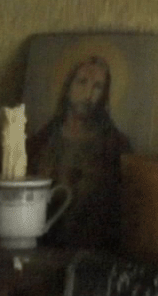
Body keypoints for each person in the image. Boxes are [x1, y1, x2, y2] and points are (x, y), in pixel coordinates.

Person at [28, 56, 133, 248]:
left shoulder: (116, 145)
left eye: (97, 87)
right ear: (68, 87)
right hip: (40, 243)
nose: (88, 94)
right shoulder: (41, 141)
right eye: (82, 82)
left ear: (104, 95)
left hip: (91, 247)